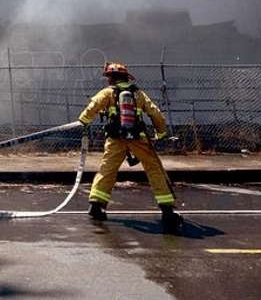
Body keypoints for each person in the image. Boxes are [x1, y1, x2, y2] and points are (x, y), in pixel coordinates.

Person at [77, 61, 182, 233]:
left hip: (115, 139)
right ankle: (168, 211)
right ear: (126, 77)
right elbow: (155, 113)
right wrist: (161, 133)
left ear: (112, 79)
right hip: (138, 138)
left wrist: (84, 121)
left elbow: (93, 106)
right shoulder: (139, 94)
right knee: (154, 168)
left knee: (107, 169)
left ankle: (96, 205)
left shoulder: (107, 93)